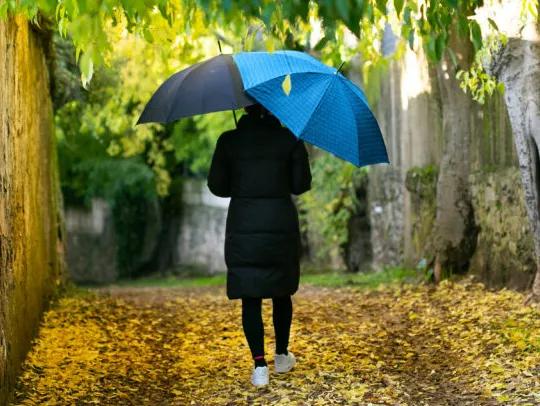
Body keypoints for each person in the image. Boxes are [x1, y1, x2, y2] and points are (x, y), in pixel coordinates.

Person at [207, 103, 312, 387]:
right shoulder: (290, 139)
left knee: (250, 295)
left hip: (244, 227)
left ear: (245, 108)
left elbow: (217, 186)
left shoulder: (229, 141)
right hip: (280, 227)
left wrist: (240, 182)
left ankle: (259, 367)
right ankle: (281, 356)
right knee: (281, 291)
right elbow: (300, 184)